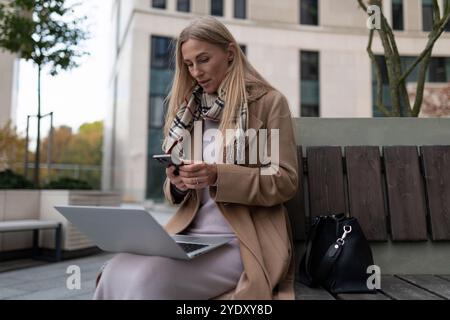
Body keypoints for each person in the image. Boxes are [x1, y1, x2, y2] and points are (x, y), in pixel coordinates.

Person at [93, 16, 298, 300]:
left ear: (229, 53)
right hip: (190, 236)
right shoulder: (190, 112)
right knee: (115, 269)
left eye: (203, 59)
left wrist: (218, 175)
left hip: (242, 243)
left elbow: (284, 180)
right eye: (189, 64)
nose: (196, 72)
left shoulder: (268, 103)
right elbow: (177, 192)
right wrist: (178, 182)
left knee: (148, 278)